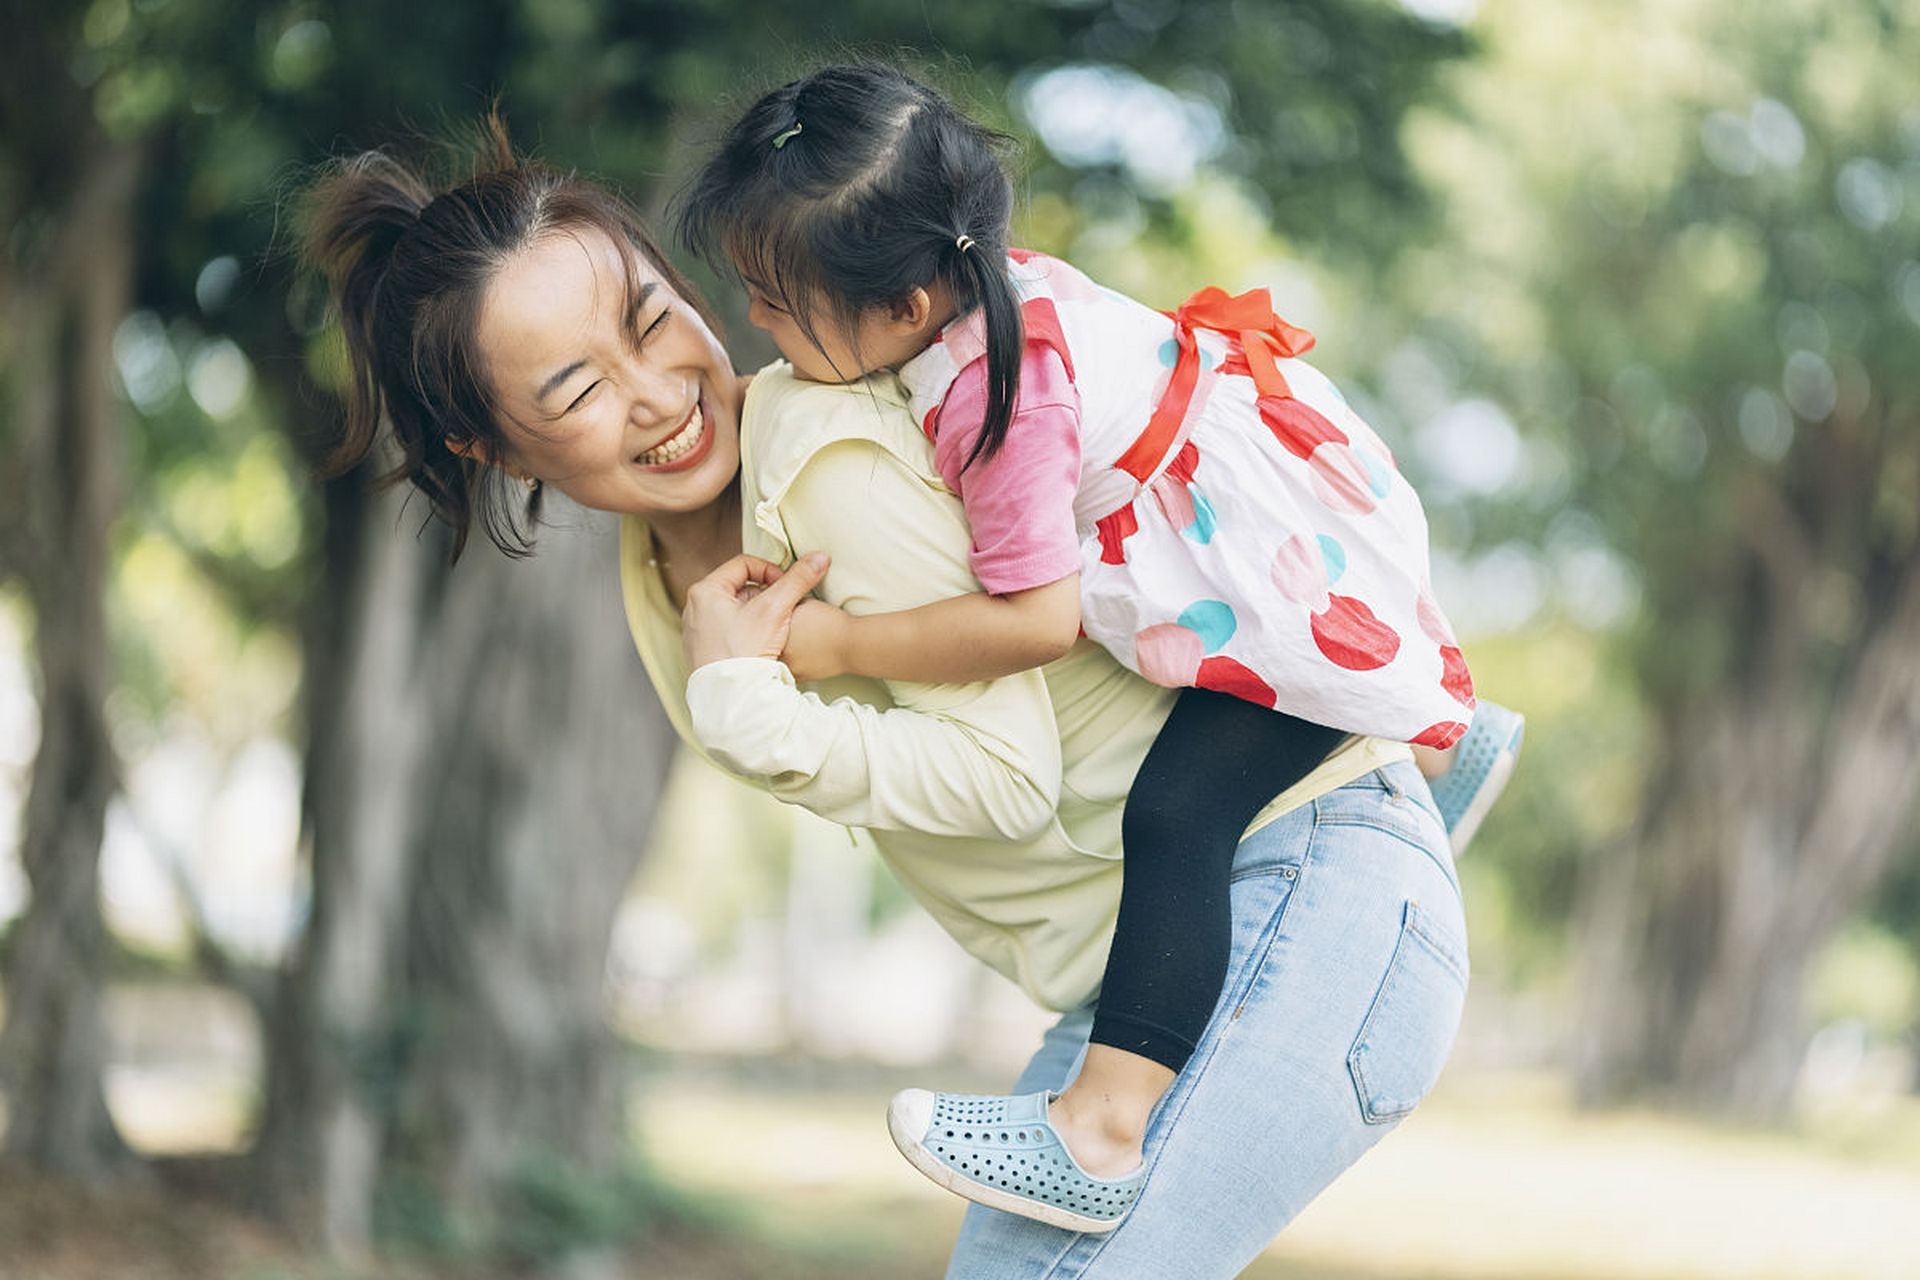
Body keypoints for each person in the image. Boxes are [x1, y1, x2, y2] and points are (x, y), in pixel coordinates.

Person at [300, 116, 1478, 1277]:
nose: (656, 394)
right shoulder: (663, 566)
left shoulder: (825, 455)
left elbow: (1009, 781)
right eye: (575, 391)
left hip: (1294, 894)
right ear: (492, 449)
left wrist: (756, 710)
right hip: (1153, 976)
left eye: (654, 321)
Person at [677, 63, 1519, 1231]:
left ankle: (1103, 1126)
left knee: (1178, 814)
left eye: (774, 299)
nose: (753, 325)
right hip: (1281, 513)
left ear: (905, 310)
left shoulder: (991, 396)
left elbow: (1036, 621)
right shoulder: (986, 285)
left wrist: (834, 643)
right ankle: (1450, 745)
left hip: (1254, 569)